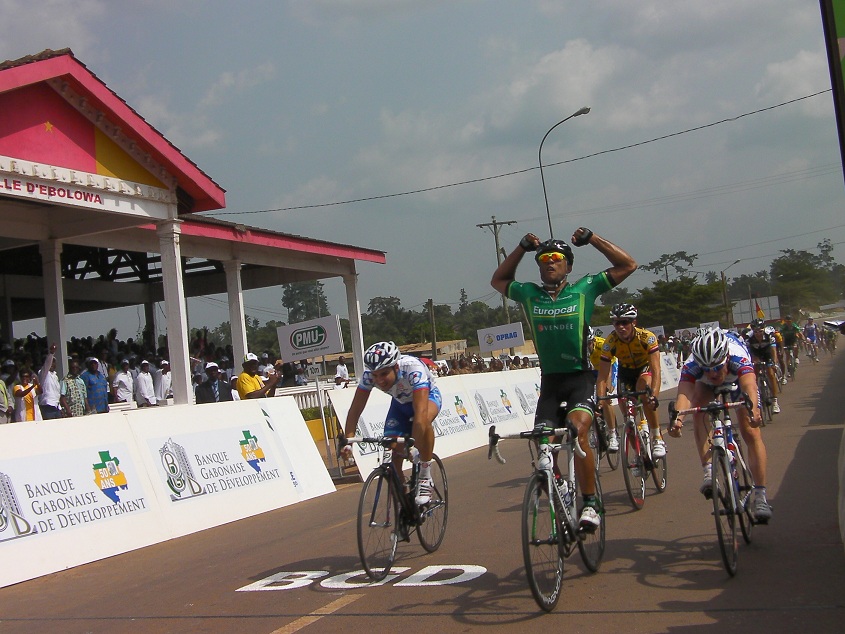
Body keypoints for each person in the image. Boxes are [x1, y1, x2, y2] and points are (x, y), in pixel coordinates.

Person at [491, 226, 637, 530]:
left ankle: (591, 503)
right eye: (543, 258)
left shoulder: (584, 288)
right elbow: (499, 280)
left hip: (580, 378)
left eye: (556, 257)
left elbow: (628, 265)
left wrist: (593, 239)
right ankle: (559, 484)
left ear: (568, 265)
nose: (549, 261)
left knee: (576, 432)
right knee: (543, 443)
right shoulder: (529, 293)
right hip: (550, 383)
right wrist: (519, 248)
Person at [669, 328, 772, 523]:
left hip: (737, 381)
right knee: (698, 407)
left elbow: (750, 386)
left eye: (716, 367)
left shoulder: (737, 356)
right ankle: (708, 469)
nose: (712, 372)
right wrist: (679, 419)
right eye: (706, 368)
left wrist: (755, 410)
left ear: (725, 357)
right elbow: (684, 395)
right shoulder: (693, 363)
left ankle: (760, 495)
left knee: (750, 430)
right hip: (705, 386)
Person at [340, 341, 442, 505]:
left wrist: (414, 446)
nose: (379, 380)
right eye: (375, 375)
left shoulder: (412, 368)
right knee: (392, 452)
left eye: (384, 373)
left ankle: (425, 476)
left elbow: (420, 413)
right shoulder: (369, 376)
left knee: (424, 421)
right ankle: (403, 509)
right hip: (400, 405)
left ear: (396, 367)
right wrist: (348, 442)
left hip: (426, 398)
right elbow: (355, 410)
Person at [598, 303, 664, 458]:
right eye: (616, 323)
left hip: (644, 369)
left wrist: (654, 395)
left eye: (625, 322)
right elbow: (602, 376)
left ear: (633, 322)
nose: (620, 327)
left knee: (645, 393)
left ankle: (657, 438)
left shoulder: (647, 337)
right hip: (625, 372)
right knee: (628, 417)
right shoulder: (610, 343)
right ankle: (639, 456)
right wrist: (600, 401)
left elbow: (656, 369)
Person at [588, 327, 618, 452]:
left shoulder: (602, 345)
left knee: (605, 397)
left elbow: (608, 370)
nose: (586, 347)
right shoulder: (579, 350)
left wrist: (607, 385)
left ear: (593, 340)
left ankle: (612, 435)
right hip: (593, 369)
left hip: (609, 366)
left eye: (588, 344)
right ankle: (592, 429)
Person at [743, 319, 781, 414]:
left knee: (770, 374)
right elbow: (748, 352)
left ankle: (775, 401)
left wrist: (774, 363)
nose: (758, 333)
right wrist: (751, 362)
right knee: (753, 375)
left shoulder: (769, 335)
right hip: (756, 354)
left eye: (760, 331)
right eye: (756, 332)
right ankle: (757, 395)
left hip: (767, 353)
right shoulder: (748, 337)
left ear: (763, 330)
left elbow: (773, 350)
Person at [37, 343, 64, 419]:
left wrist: (60, 408)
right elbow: (47, 364)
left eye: (54, 362)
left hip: (56, 407)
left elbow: (56, 394)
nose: (52, 364)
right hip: (47, 406)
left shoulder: (55, 376)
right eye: (51, 362)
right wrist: (52, 353)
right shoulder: (43, 373)